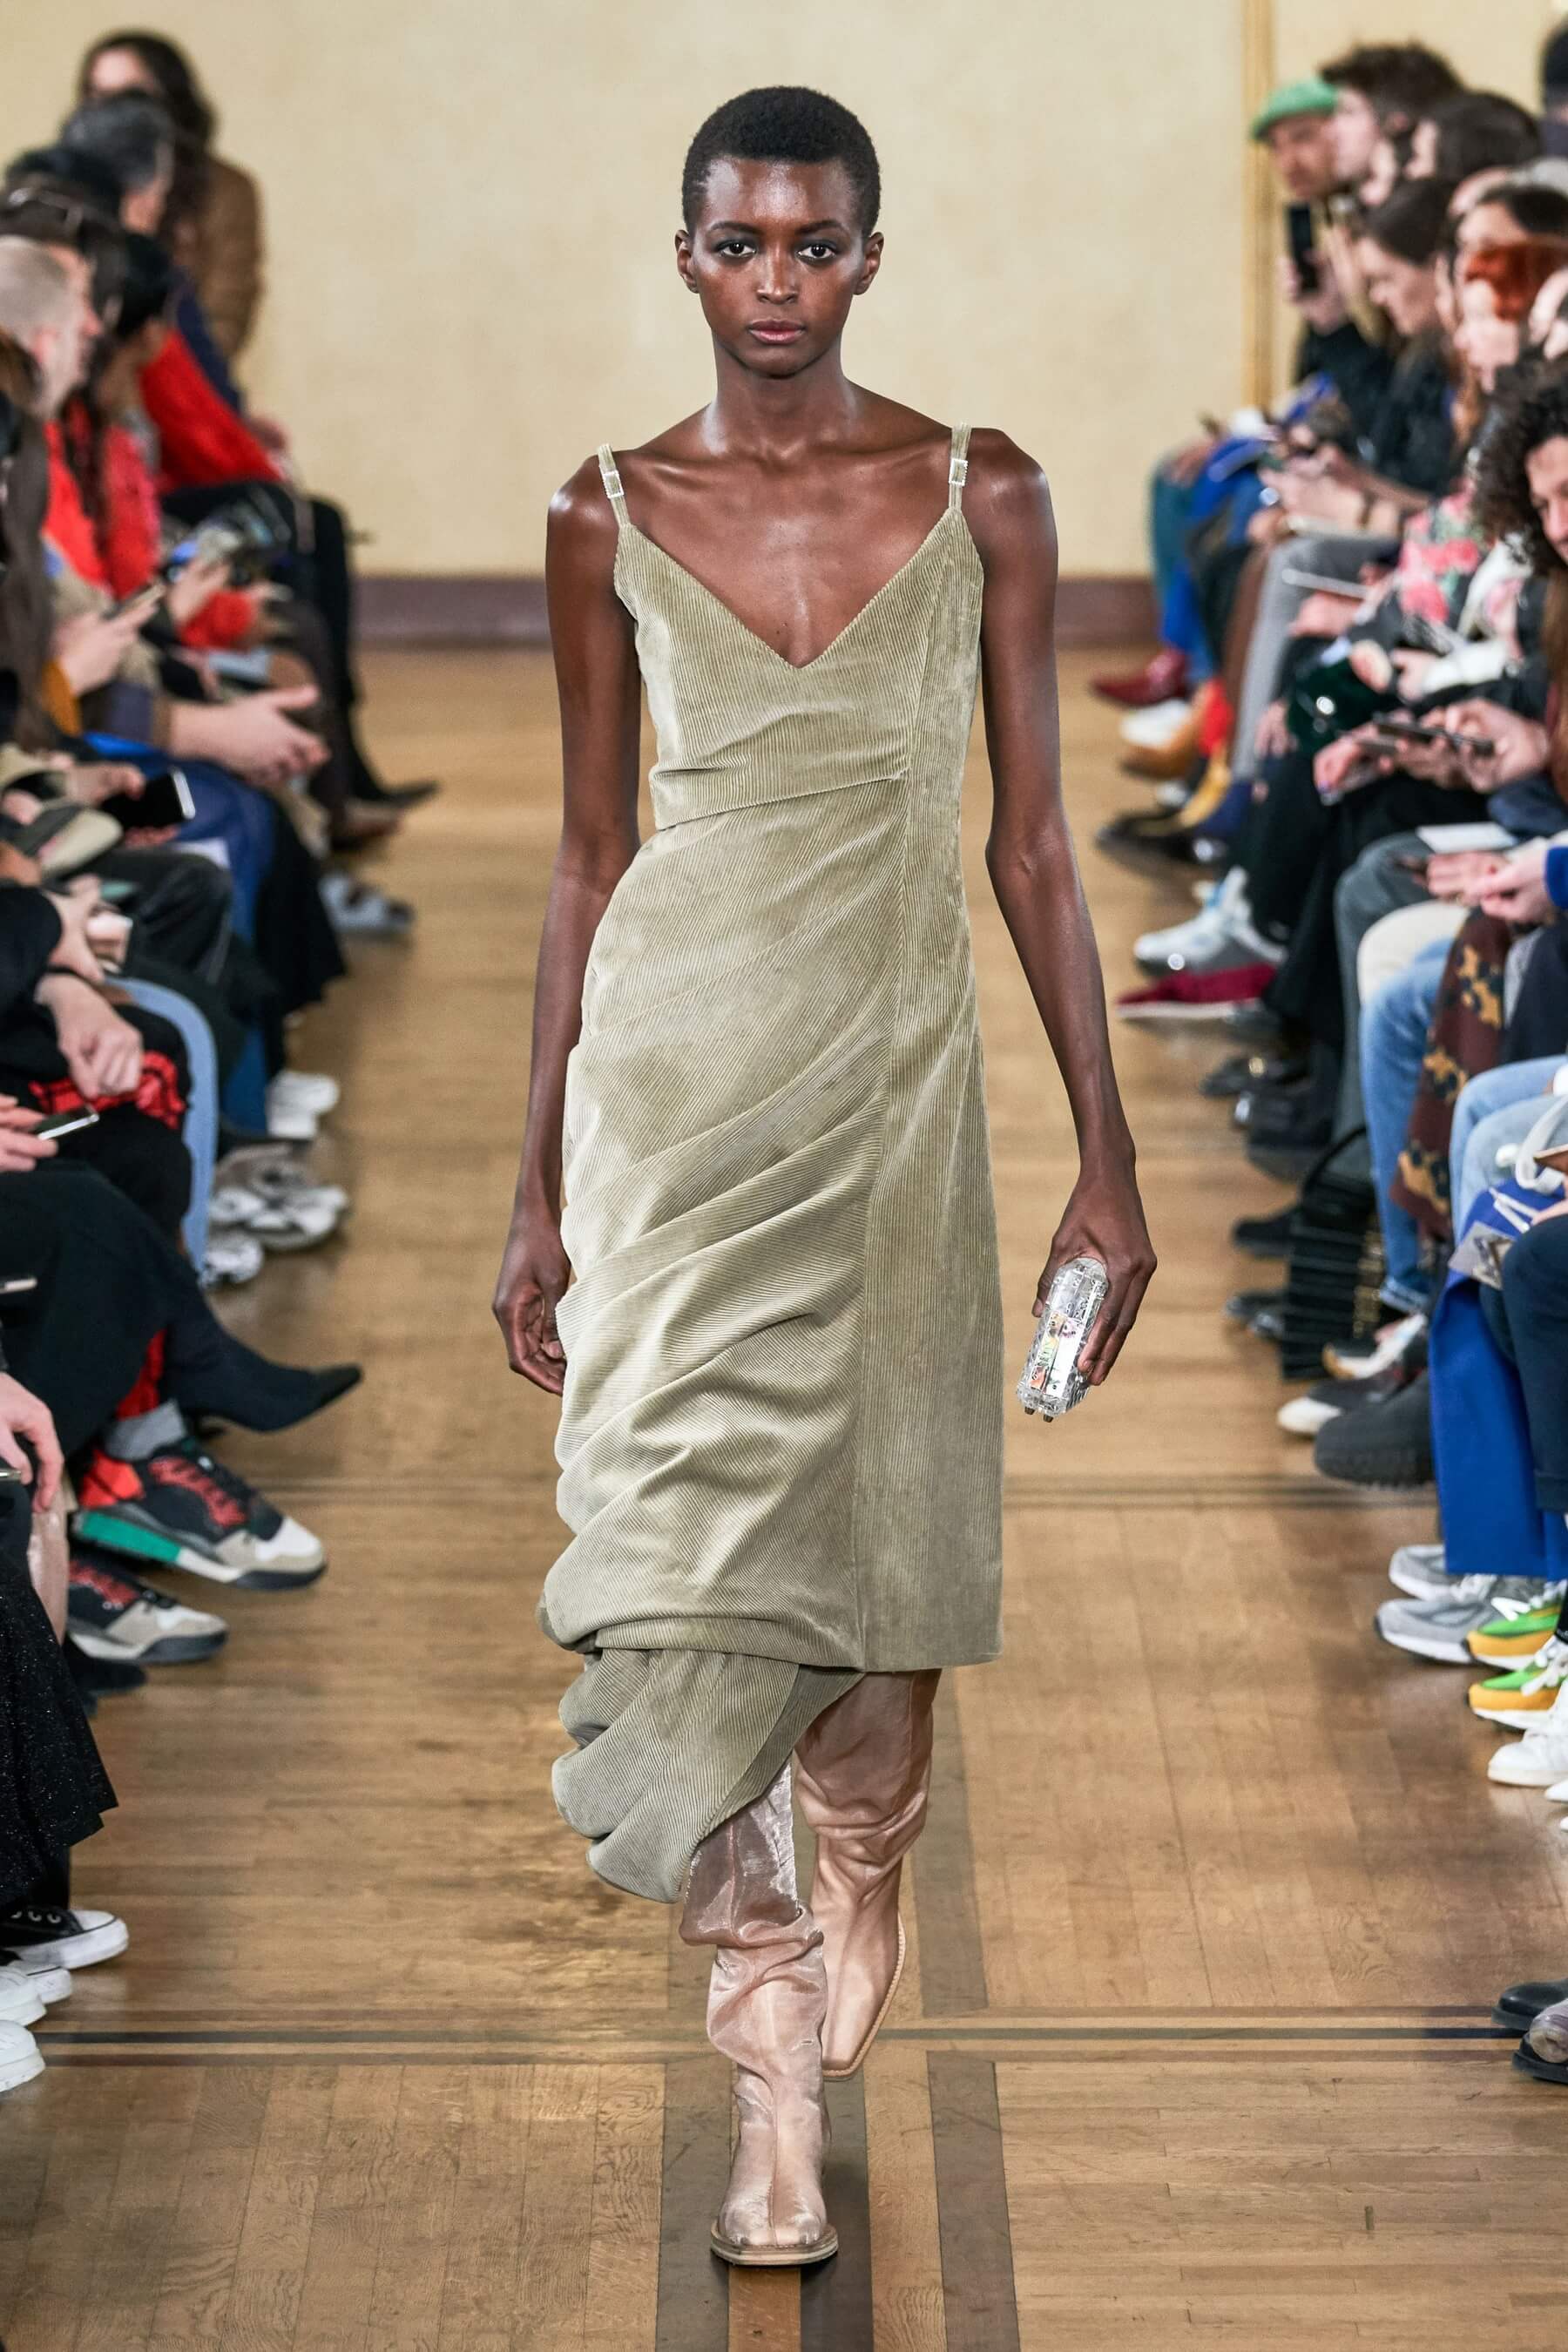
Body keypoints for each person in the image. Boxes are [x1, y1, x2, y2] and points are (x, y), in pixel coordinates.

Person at [492, 84, 1153, 2267]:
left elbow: (1033, 842)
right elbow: (587, 854)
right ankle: (764, 2054)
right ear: (684, 254)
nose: (775, 282)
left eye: (814, 244)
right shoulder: (602, 510)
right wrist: (534, 1185)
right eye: (738, 243)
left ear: (872, 256)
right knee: (669, 1563)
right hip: (672, 1104)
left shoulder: (982, 492)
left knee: (878, 1563)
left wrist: (1107, 1159)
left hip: (889, 1094)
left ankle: (866, 1826)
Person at [76, 29, 263, 361]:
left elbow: (224, 324)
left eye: (129, 95)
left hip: (177, 378)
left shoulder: (224, 190)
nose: (110, 110)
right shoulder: (64, 182)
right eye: (98, 94)